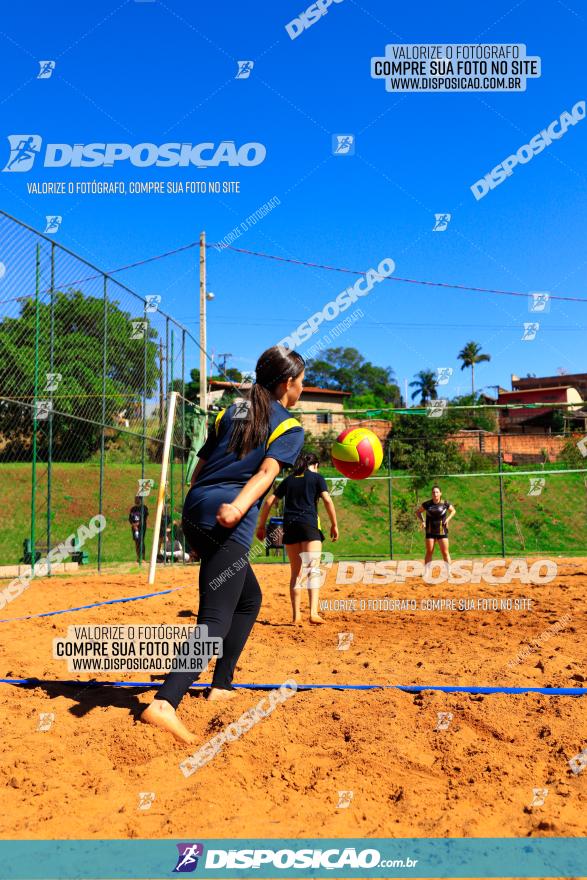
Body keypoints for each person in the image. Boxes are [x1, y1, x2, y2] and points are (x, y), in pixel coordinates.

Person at [140, 345, 305, 743]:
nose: (301, 388)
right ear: (287, 384)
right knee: (214, 619)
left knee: (248, 599)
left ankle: (222, 683)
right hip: (226, 513)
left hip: (196, 508)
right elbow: (267, 472)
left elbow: (199, 469)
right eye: (301, 382)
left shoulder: (229, 411)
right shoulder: (289, 426)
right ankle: (165, 702)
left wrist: (196, 525)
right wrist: (236, 508)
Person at [256, 451, 339, 624]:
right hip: (309, 525)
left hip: (290, 527)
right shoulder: (317, 478)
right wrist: (334, 524)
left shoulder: (289, 480)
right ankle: (313, 614)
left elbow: (269, 501)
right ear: (314, 465)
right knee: (312, 570)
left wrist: (262, 525)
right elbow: (328, 501)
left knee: (296, 573)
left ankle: (296, 617)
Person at [415, 485, 456, 579]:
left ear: (440, 493)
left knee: (445, 552)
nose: (435, 494)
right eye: (433, 492)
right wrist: (423, 521)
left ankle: (449, 573)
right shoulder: (427, 504)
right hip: (430, 531)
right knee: (429, 551)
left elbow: (453, 511)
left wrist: (448, 519)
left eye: (437, 492)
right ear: (431, 494)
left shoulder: (445, 503)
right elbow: (418, 512)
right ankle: (427, 573)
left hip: (442, 531)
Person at [128, 495, 149, 562]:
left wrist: (138, 524)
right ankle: (138, 557)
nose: (135, 500)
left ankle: (143, 557)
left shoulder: (144, 508)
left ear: (140, 499)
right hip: (134, 528)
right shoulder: (133, 509)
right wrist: (134, 525)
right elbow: (130, 518)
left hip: (141, 527)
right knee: (136, 541)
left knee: (141, 541)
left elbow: (144, 518)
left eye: (136, 499)